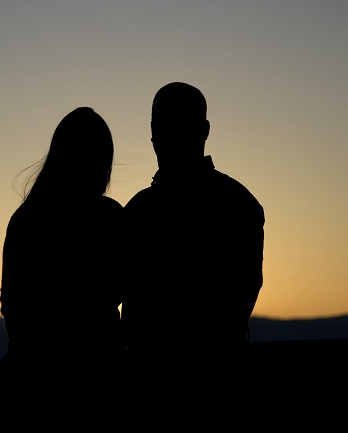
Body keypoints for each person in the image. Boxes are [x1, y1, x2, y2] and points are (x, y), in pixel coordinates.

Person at [121, 82, 265, 384]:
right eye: (165, 125)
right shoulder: (239, 203)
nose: (169, 135)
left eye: (178, 124)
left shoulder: (138, 211)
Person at [0, 107, 125, 389]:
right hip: (100, 369)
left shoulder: (27, 218)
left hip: (35, 370)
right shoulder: (109, 216)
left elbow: (12, 304)